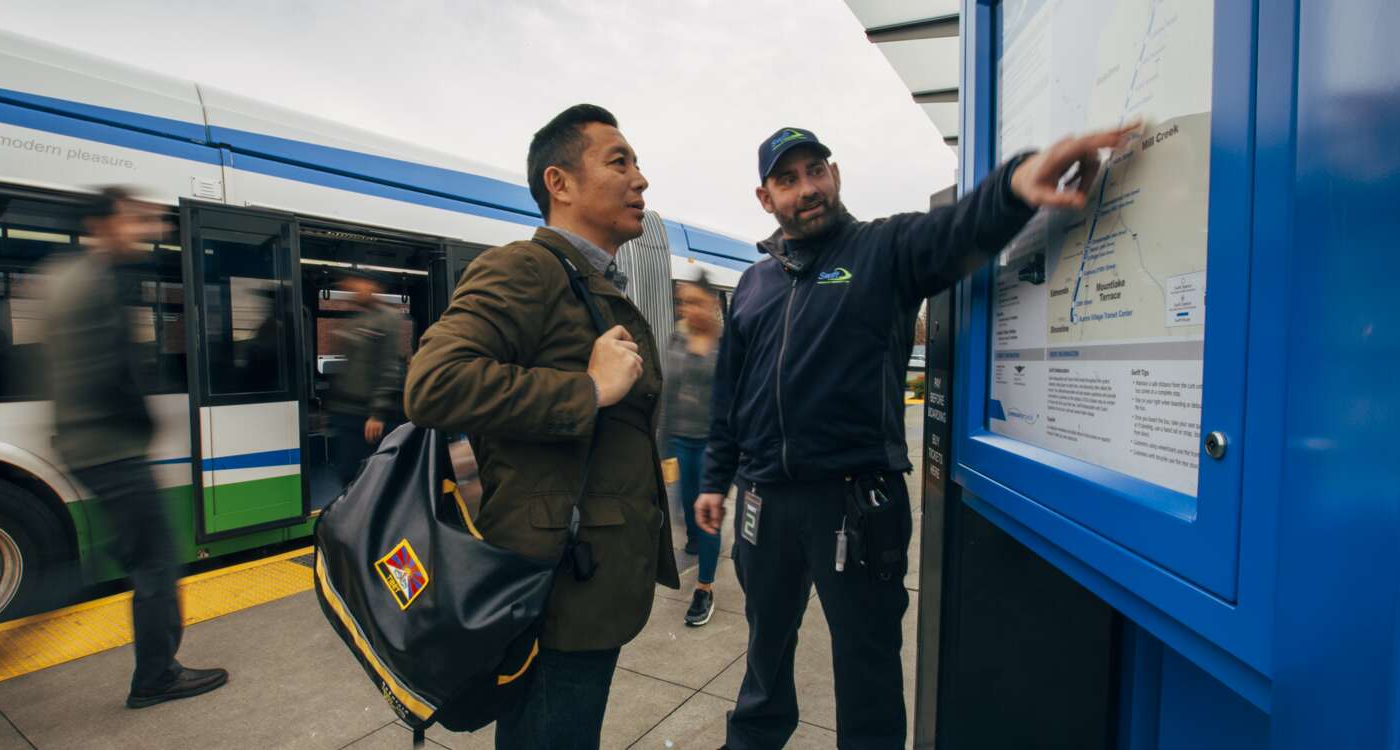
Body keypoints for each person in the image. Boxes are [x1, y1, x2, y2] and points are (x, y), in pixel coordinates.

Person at [694, 123, 1140, 748]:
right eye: (788, 179)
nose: (808, 188)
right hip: (765, 500)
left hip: (854, 504)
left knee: (867, 668)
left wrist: (1015, 182)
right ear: (766, 198)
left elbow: (957, 229)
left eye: (816, 170)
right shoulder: (753, 286)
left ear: (836, 173)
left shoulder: (884, 250)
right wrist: (716, 479)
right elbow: (729, 396)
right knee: (764, 654)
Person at [405, 104, 677, 749]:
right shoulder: (526, 268)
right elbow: (432, 384)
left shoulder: (590, 278)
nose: (640, 179)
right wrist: (586, 389)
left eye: (637, 163)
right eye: (619, 161)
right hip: (556, 588)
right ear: (559, 184)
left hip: (585, 576)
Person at [44, 187, 228, 709]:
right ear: (102, 223)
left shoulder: (64, 275)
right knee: (158, 563)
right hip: (112, 447)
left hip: (86, 443)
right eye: (137, 219)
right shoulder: (94, 282)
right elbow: (108, 371)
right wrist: (144, 424)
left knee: (140, 553)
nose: (150, 230)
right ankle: (156, 677)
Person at [661, 270, 723, 626]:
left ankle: (705, 588)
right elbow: (668, 395)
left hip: (714, 446)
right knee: (686, 510)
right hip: (681, 442)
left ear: (712, 304)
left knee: (707, 513)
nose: (687, 310)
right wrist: (661, 448)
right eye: (683, 302)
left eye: (695, 302)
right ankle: (698, 542)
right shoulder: (676, 341)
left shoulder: (726, 345)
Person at [327, 270, 407, 485]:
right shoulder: (356, 321)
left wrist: (378, 413)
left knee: (365, 475)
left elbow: (388, 367)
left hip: (367, 414)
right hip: (346, 411)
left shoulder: (387, 318)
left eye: (355, 283)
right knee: (347, 472)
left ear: (373, 286)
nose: (349, 289)